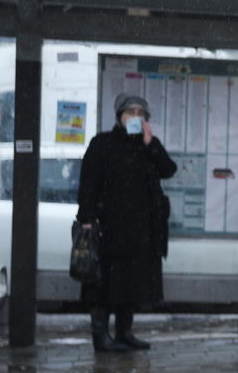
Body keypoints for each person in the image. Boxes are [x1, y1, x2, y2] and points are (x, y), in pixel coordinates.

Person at [76, 94, 177, 352]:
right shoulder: (103, 144)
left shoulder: (148, 146)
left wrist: (150, 142)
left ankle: (125, 332)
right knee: (104, 283)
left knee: (132, 284)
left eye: (140, 112)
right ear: (119, 116)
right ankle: (100, 335)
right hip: (110, 228)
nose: (134, 116)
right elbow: (88, 184)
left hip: (142, 232)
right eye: (129, 111)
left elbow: (169, 169)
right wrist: (87, 218)